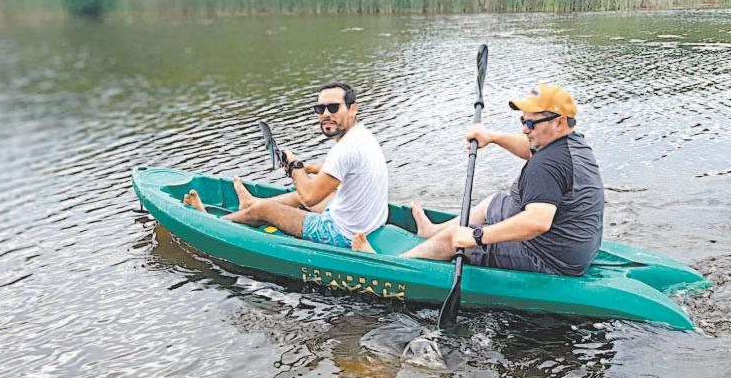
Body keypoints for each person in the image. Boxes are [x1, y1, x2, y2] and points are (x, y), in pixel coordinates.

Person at [353, 84, 604, 276]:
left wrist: (477, 236)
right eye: (522, 120)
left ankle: (393, 267)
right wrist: (492, 137)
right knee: (494, 201)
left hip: (547, 257)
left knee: (454, 237)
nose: (524, 129)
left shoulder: (546, 165)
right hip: (573, 247)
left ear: (559, 122)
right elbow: (529, 148)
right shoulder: (572, 145)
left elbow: (537, 222)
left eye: (530, 123)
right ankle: (431, 231)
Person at [184, 82, 389, 248]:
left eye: (333, 108)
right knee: (297, 195)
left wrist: (294, 166)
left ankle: (216, 223)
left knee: (267, 208)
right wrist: (307, 168)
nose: (326, 114)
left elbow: (310, 196)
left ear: (352, 109)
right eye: (320, 109)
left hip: (341, 234)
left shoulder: (344, 149)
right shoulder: (361, 136)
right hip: (368, 222)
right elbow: (342, 169)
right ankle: (250, 204)